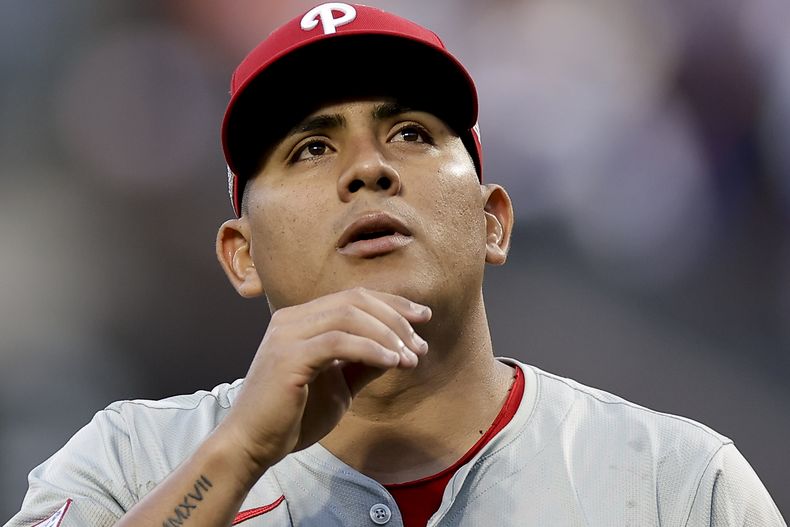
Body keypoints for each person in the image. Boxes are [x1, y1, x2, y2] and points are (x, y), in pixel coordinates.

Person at [6, 3, 786, 527]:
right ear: (241, 256)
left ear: (493, 221)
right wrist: (237, 455)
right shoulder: (129, 459)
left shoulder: (678, 484)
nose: (367, 170)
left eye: (411, 133)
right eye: (310, 148)